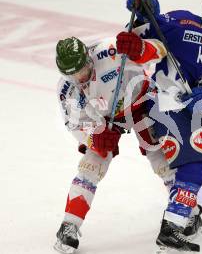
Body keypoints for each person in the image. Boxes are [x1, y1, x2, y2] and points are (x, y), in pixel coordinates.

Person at [125, 0, 202, 252]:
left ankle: (185, 215)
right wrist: (144, 12)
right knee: (196, 160)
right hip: (164, 102)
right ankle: (172, 226)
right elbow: (139, 37)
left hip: (189, 110)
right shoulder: (182, 22)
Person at [54, 33, 168, 254]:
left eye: (82, 69)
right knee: (91, 165)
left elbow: (161, 50)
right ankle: (69, 225)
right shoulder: (66, 89)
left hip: (140, 102)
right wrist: (94, 137)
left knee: (159, 154)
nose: (80, 77)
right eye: (72, 74)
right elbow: (74, 124)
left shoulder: (112, 50)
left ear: (88, 58)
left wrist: (140, 48)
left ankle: (184, 213)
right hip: (105, 120)